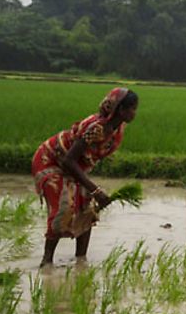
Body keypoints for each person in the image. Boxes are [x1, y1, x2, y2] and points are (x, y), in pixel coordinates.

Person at [33, 87, 138, 267]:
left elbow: (85, 158)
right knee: (63, 207)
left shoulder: (117, 127)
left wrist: (91, 190)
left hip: (74, 165)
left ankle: (81, 260)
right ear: (120, 110)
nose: (134, 113)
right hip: (51, 160)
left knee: (86, 208)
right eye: (132, 108)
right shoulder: (96, 128)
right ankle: (47, 261)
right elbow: (68, 161)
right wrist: (95, 189)